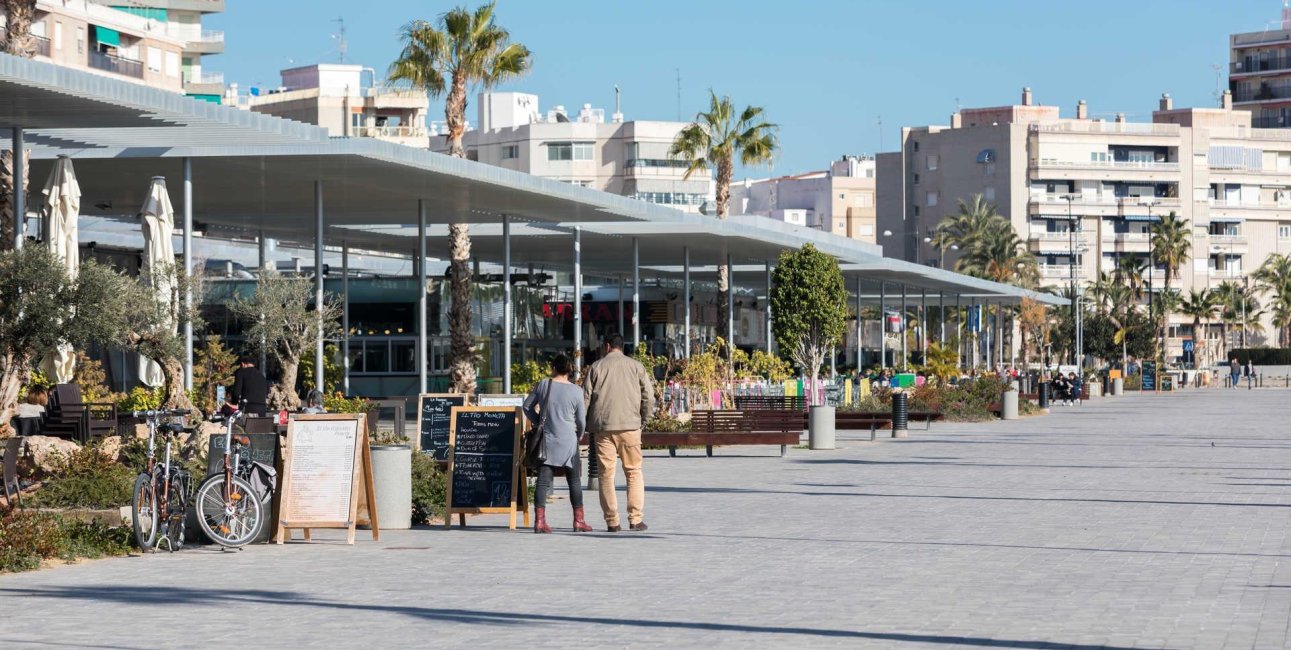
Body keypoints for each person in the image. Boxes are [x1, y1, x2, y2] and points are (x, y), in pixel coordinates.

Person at [583, 334, 655, 532]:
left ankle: (612, 521)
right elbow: (649, 397)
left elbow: (585, 399)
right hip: (630, 426)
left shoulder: (596, 367)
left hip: (603, 428)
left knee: (606, 475)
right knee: (634, 472)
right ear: (621, 347)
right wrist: (643, 420)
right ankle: (635, 519)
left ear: (607, 346)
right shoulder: (636, 366)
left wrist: (582, 425)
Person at [522, 355, 591, 534]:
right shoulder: (576, 391)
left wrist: (538, 422)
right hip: (569, 441)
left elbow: (527, 406)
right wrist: (579, 435)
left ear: (553, 367)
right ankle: (579, 521)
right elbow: (581, 421)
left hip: (548, 440)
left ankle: (540, 521)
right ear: (569, 370)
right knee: (574, 480)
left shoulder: (544, 385)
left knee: (543, 480)